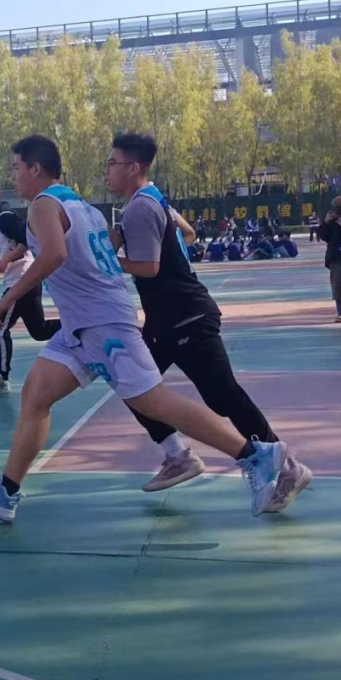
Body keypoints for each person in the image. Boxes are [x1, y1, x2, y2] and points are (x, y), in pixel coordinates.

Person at [0, 135, 291, 524]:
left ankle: (256, 456)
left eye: (16, 167)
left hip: (102, 323)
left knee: (155, 402)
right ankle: (6, 491)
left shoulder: (44, 205)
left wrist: (7, 299)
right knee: (35, 394)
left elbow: (55, 254)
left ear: (35, 168)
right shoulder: (81, 206)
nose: (13, 176)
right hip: (82, 325)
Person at [105, 133, 309, 510]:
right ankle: (177, 454)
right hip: (166, 320)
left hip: (185, 316)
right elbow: (187, 233)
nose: (107, 170)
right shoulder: (153, 199)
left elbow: (149, 268)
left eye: (112, 163)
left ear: (133, 168)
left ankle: (288, 468)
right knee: (130, 383)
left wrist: (109, 258)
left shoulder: (138, 209)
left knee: (222, 395)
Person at [0, 177, 61, 392]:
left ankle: (1, 377)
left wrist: (7, 259)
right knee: (39, 330)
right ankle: (78, 325)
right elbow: (0, 252)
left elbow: (27, 240)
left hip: (23, 280)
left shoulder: (5, 218)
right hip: (23, 282)